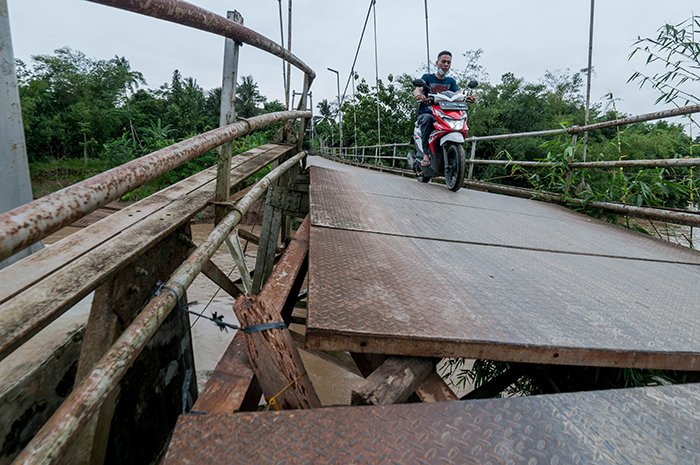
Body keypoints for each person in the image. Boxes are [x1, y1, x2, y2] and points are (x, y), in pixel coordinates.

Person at [414, 50, 475, 166]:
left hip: (443, 114)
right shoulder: (427, 78)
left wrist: (467, 98)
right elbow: (419, 88)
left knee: (459, 119)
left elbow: (458, 94)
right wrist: (418, 95)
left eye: (448, 62)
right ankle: (426, 154)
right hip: (427, 113)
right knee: (427, 119)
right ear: (437, 63)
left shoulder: (450, 81)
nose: (446, 64)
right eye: (443, 62)